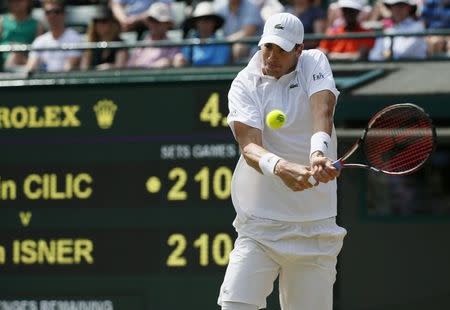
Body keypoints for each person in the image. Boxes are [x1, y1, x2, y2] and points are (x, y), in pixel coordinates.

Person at [217, 12, 346, 310]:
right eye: (268, 47)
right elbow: (249, 147)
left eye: (282, 49)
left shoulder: (314, 61)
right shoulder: (243, 83)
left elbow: (322, 110)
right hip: (259, 228)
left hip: (316, 231)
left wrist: (318, 153)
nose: (272, 56)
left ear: (299, 50)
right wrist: (281, 167)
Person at [26, 0, 83, 72]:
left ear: (64, 14)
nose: (52, 16)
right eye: (48, 12)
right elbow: (30, 69)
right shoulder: (39, 41)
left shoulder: (74, 38)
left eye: (56, 12)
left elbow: (68, 70)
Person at [127, 2, 182, 68]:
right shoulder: (141, 45)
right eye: (151, 20)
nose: (153, 24)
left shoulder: (173, 47)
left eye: (157, 21)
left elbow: (177, 63)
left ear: (167, 24)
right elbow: (130, 66)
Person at [174, 1, 230, 66]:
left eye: (208, 19)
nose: (204, 23)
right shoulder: (189, 43)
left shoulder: (222, 44)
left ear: (214, 23)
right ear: (196, 23)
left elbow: (219, 65)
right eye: (200, 19)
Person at [0, 0, 44, 71]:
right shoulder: (1, 21)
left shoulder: (37, 25)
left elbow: (39, 52)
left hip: (27, 64)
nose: (16, 2)